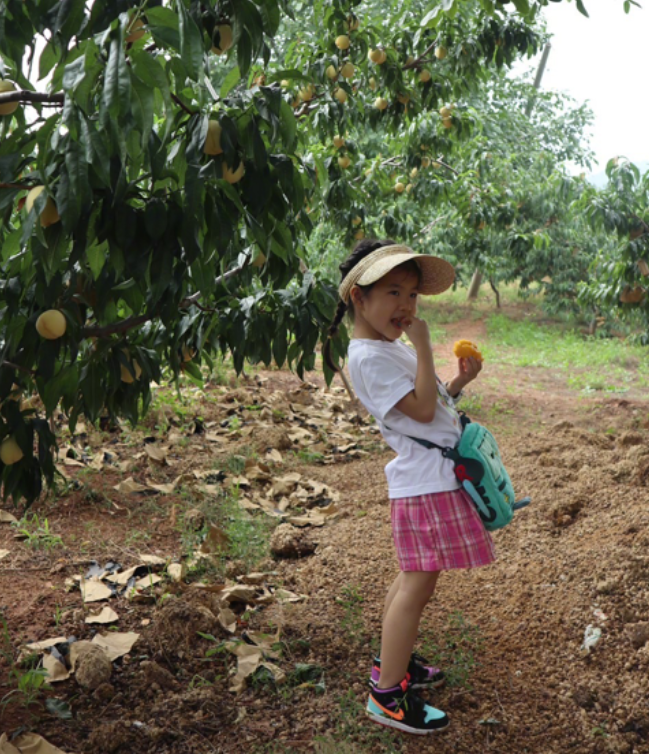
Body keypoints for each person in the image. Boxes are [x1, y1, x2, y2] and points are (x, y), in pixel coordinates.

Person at [323, 239, 495, 735]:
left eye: (413, 295)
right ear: (359, 297)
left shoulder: (386, 348)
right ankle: (386, 698)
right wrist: (423, 346)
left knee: (414, 581)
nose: (407, 306)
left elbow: (428, 404)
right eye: (393, 292)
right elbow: (418, 413)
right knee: (415, 587)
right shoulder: (369, 357)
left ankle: (391, 665)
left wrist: (456, 383)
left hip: (430, 477)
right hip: (422, 483)